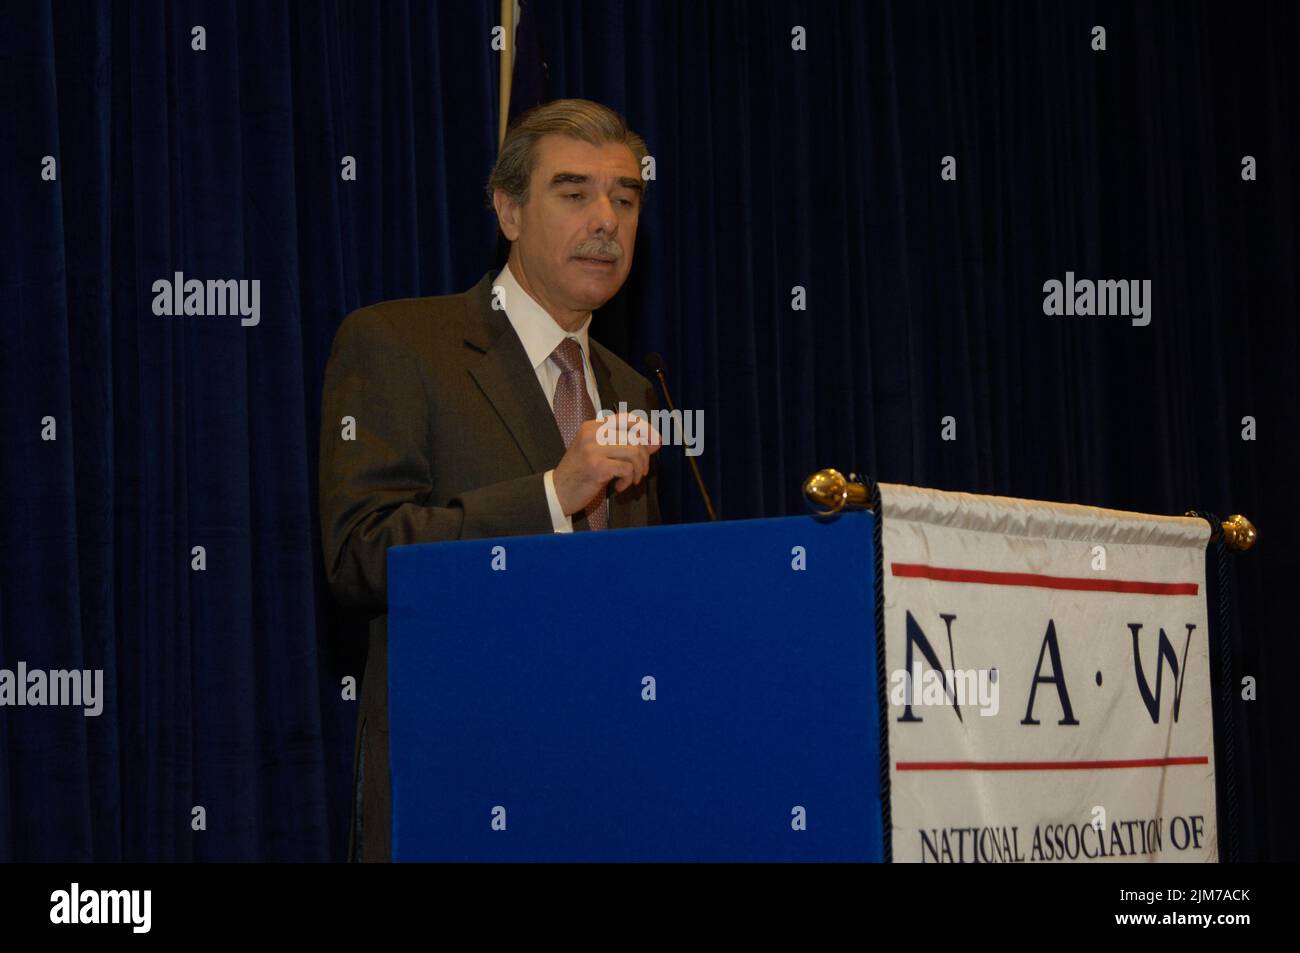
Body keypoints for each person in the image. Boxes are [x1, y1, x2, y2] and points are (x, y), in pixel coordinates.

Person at [319, 99, 663, 862]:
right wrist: (550, 494)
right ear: (508, 210)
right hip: (461, 790)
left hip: (610, 791)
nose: (606, 219)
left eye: (627, 198)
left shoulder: (635, 389)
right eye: (574, 194)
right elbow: (360, 553)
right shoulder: (398, 345)